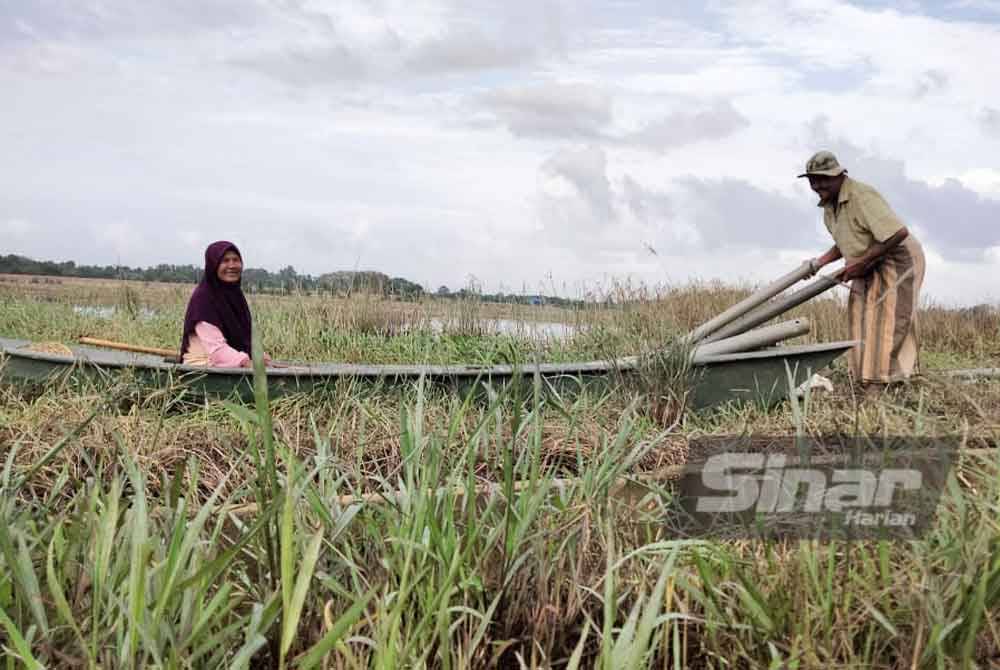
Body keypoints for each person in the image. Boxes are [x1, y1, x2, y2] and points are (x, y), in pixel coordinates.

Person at [801, 151, 926, 390]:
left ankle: (883, 383)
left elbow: (897, 232)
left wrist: (861, 263)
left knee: (887, 318)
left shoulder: (861, 195)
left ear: (840, 175)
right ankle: (864, 378)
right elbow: (847, 241)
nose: (818, 185)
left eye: (823, 179)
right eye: (812, 180)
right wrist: (820, 263)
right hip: (869, 259)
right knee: (860, 315)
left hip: (897, 258)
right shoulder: (830, 205)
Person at [181, 241, 271, 367]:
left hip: (231, 362)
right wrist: (247, 361)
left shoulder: (236, 295)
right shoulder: (203, 299)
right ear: (213, 265)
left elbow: (243, 338)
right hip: (203, 366)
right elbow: (217, 352)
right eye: (225, 261)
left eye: (236, 260)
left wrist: (258, 355)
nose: (232, 265)